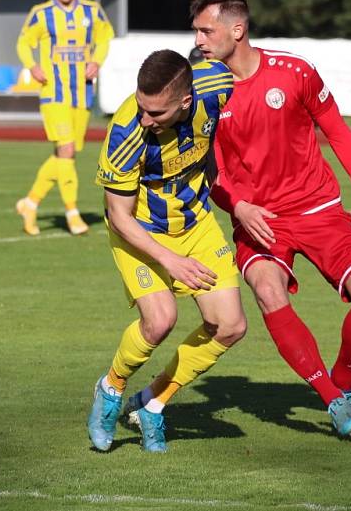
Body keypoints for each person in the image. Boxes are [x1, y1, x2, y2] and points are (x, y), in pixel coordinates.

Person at [190, 0, 351, 437]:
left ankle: (341, 383)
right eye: (197, 32)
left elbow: (338, 132)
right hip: (259, 219)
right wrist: (239, 206)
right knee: (268, 291)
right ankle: (332, 401)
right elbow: (207, 167)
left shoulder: (295, 71)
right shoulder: (202, 92)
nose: (199, 41)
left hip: (320, 208)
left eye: (207, 31)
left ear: (238, 29)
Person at [87, 49, 247, 452]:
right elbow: (119, 216)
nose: (146, 119)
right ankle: (111, 388)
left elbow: (249, 70)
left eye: (156, 113)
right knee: (160, 321)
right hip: (141, 233)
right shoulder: (126, 135)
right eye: (142, 106)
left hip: (196, 224)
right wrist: (171, 259)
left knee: (229, 327)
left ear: (186, 101)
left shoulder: (216, 86)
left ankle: (153, 405)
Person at [15, 0, 115, 236]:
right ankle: (72, 213)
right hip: (53, 93)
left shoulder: (92, 12)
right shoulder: (41, 13)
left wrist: (97, 60)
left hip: (82, 93)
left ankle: (30, 203)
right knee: (67, 150)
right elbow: (24, 41)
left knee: (64, 155)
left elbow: (106, 36)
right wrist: (32, 65)